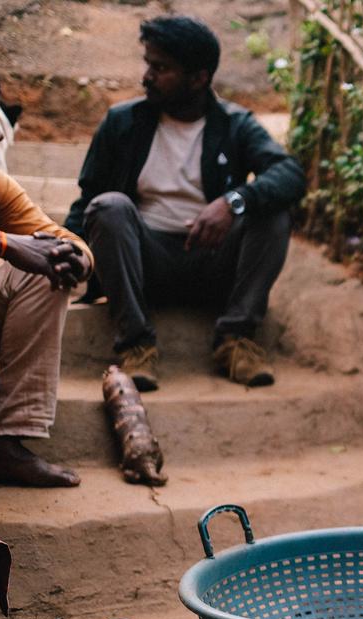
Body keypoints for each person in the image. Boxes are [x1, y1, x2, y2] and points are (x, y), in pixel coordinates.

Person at [65, 14, 306, 391]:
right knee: (109, 205)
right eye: (148, 64)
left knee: (273, 210)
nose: (147, 76)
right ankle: (137, 345)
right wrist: (66, 249)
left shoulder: (234, 124)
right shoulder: (122, 121)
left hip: (212, 262)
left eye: (160, 68)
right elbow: (88, 200)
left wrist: (234, 201)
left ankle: (236, 340)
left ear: (198, 78)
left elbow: (290, 173)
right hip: (145, 263)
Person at [0, 61, 90, 504]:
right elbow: (11, 243)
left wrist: (74, 259)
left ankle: (5, 441)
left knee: (45, 268)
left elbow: (62, 239)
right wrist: (5, 244)